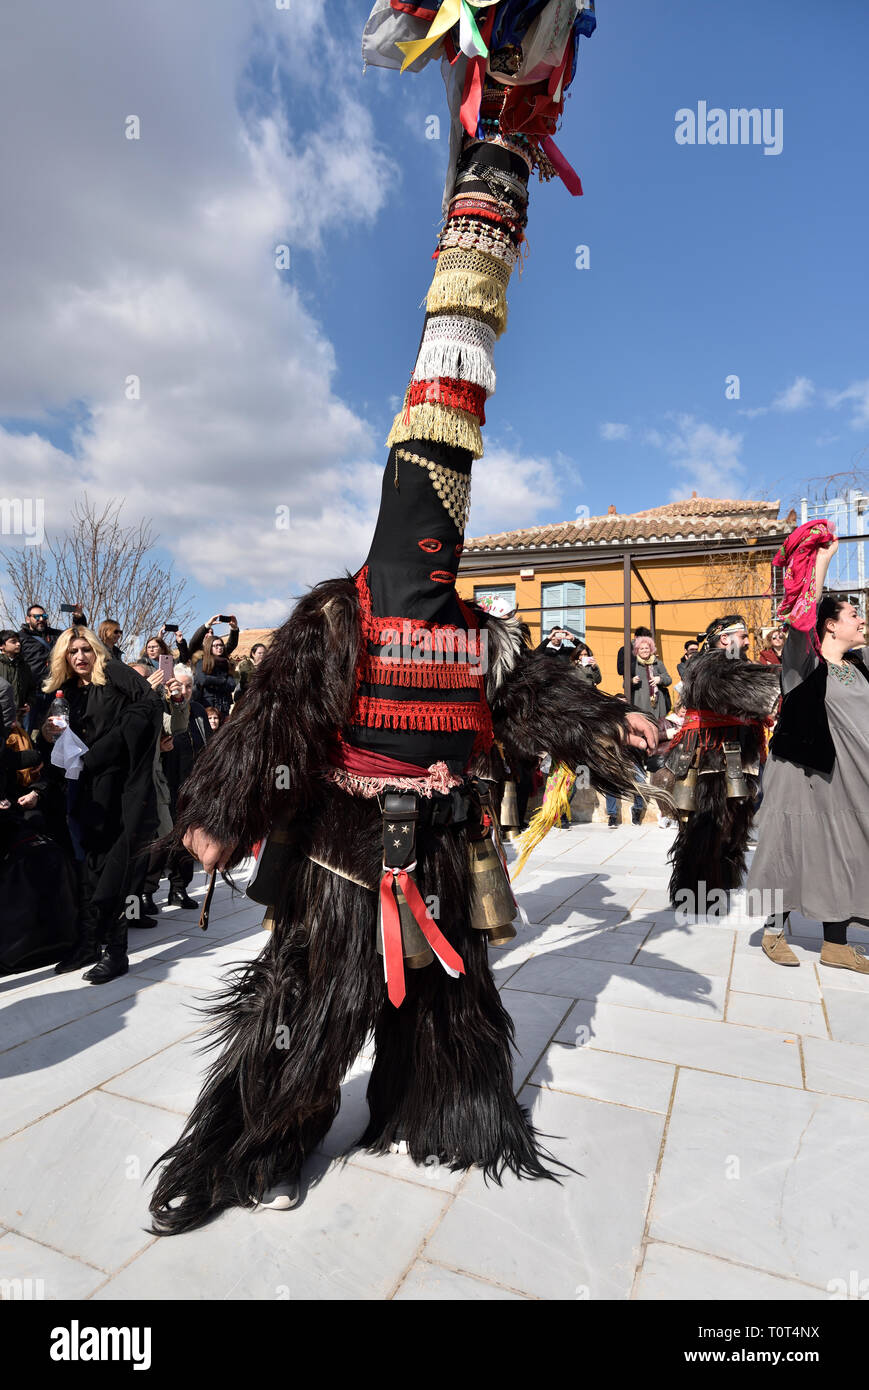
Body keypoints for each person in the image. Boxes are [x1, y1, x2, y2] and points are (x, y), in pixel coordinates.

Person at [147, 5, 657, 1235]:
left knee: (453, 1016)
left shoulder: (473, 626)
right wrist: (216, 818)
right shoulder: (339, 616)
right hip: (334, 858)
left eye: (443, 532)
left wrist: (606, 726)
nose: (430, 545)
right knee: (300, 1018)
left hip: (443, 850)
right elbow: (270, 721)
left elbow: (524, 691)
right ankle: (259, 1143)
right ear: (389, 526)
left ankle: (446, 1113)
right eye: (415, 529)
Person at [748, 533, 869, 971]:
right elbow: (805, 611)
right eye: (854, 614)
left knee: (846, 849)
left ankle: (836, 943)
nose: (861, 620)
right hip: (800, 771)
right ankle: (773, 931)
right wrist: (822, 560)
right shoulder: (805, 663)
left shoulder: (861, 665)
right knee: (788, 845)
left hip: (847, 778)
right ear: (831, 625)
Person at [36, 628, 162, 981]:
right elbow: (57, 748)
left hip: (121, 790)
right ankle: (89, 943)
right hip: (82, 791)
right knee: (88, 869)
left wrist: (110, 743)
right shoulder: (67, 695)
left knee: (115, 871)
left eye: (85, 649)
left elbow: (148, 705)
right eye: (71, 651)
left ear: (96, 650)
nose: (79, 657)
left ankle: (116, 951)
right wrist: (46, 735)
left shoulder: (115, 674)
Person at [661, 614, 781, 910]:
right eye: (743, 635)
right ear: (725, 639)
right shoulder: (708, 665)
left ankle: (723, 879)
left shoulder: (736, 666)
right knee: (708, 824)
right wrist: (779, 682)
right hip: (708, 757)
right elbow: (734, 689)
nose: (748, 641)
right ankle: (696, 894)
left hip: (735, 755)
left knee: (735, 823)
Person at [141, 665, 212, 911]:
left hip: (193, 784)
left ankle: (179, 888)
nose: (185, 690)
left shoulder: (200, 710)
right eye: (179, 685)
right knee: (161, 841)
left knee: (188, 839)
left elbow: (209, 744)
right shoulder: (164, 707)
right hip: (166, 781)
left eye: (189, 686)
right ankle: (146, 892)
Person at [17, 602, 87, 730]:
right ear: (28, 619)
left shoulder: (55, 635)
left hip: (55, 692)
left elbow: (77, 633)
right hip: (33, 693)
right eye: (37, 617)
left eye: (44, 616)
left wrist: (78, 617)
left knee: (57, 728)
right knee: (26, 730)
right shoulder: (20, 638)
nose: (41, 619)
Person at [628, 634, 671, 724]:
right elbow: (624, 684)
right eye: (642, 648)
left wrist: (660, 679)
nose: (645, 650)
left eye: (647, 648)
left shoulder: (658, 663)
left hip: (657, 703)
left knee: (658, 728)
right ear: (637, 651)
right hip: (640, 703)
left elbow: (668, 679)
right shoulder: (633, 666)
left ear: (651, 649)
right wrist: (632, 681)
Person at [193, 635, 237, 721]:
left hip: (224, 706)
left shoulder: (226, 663)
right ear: (209, 647)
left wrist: (212, 681)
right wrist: (222, 680)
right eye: (216, 646)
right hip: (207, 704)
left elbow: (232, 685)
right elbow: (202, 680)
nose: (219, 648)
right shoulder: (202, 662)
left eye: (221, 645)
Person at [0, 630, 36, 720]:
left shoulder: (24, 666)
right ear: (2, 646)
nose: (18, 644)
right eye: (13, 642)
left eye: (18, 641)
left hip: (19, 716)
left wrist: (29, 703)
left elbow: (31, 689)